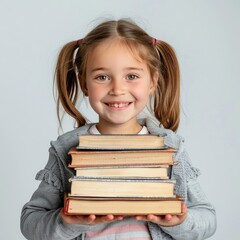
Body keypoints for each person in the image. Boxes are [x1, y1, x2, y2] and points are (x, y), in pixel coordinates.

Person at [20, 19, 216, 240]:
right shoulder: (65, 149)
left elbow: (207, 219)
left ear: (152, 81)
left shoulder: (171, 147)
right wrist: (66, 222)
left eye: (131, 76)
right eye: (102, 77)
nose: (117, 89)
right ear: (84, 83)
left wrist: (181, 221)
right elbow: (31, 222)